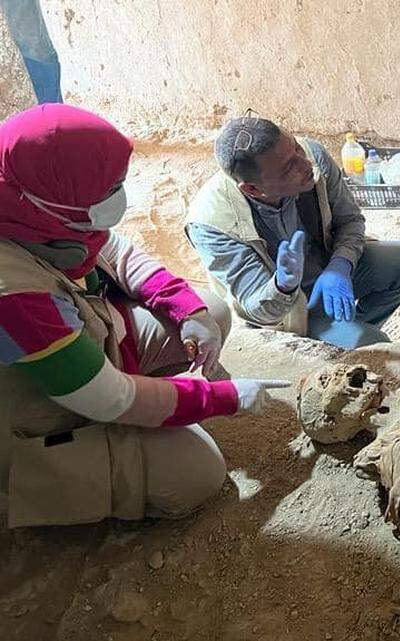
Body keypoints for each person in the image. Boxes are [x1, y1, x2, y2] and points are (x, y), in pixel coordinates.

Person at [0, 104, 287, 527]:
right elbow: (106, 396)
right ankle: (26, 486)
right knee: (197, 472)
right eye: (107, 189)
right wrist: (222, 398)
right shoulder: (14, 291)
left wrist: (186, 309)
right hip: (39, 407)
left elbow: (117, 251)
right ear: (55, 194)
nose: (118, 195)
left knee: (212, 310)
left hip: (87, 344)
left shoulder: (42, 211)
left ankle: (157, 405)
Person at [186, 117, 400, 350]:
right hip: (286, 311)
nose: (305, 164)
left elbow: (349, 220)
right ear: (252, 189)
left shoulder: (312, 154)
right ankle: (329, 342)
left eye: (296, 149)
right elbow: (257, 308)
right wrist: (283, 285)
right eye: (289, 168)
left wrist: (340, 264)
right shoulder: (211, 222)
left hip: (328, 272)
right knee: (374, 347)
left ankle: (347, 329)